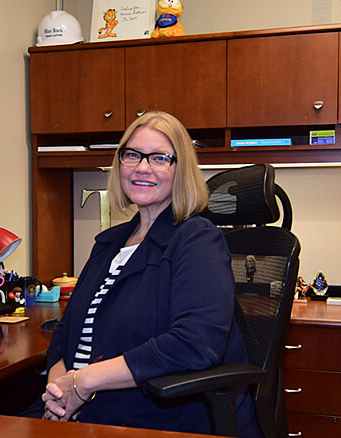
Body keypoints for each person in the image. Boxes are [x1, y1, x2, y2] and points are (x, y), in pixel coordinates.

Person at [40, 111, 258, 436]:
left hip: (154, 418)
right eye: (133, 155)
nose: (143, 167)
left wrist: (82, 382)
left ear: (180, 169)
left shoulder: (197, 239)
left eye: (159, 158)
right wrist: (58, 391)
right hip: (83, 411)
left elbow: (195, 343)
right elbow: (65, 330)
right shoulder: (108, 244)